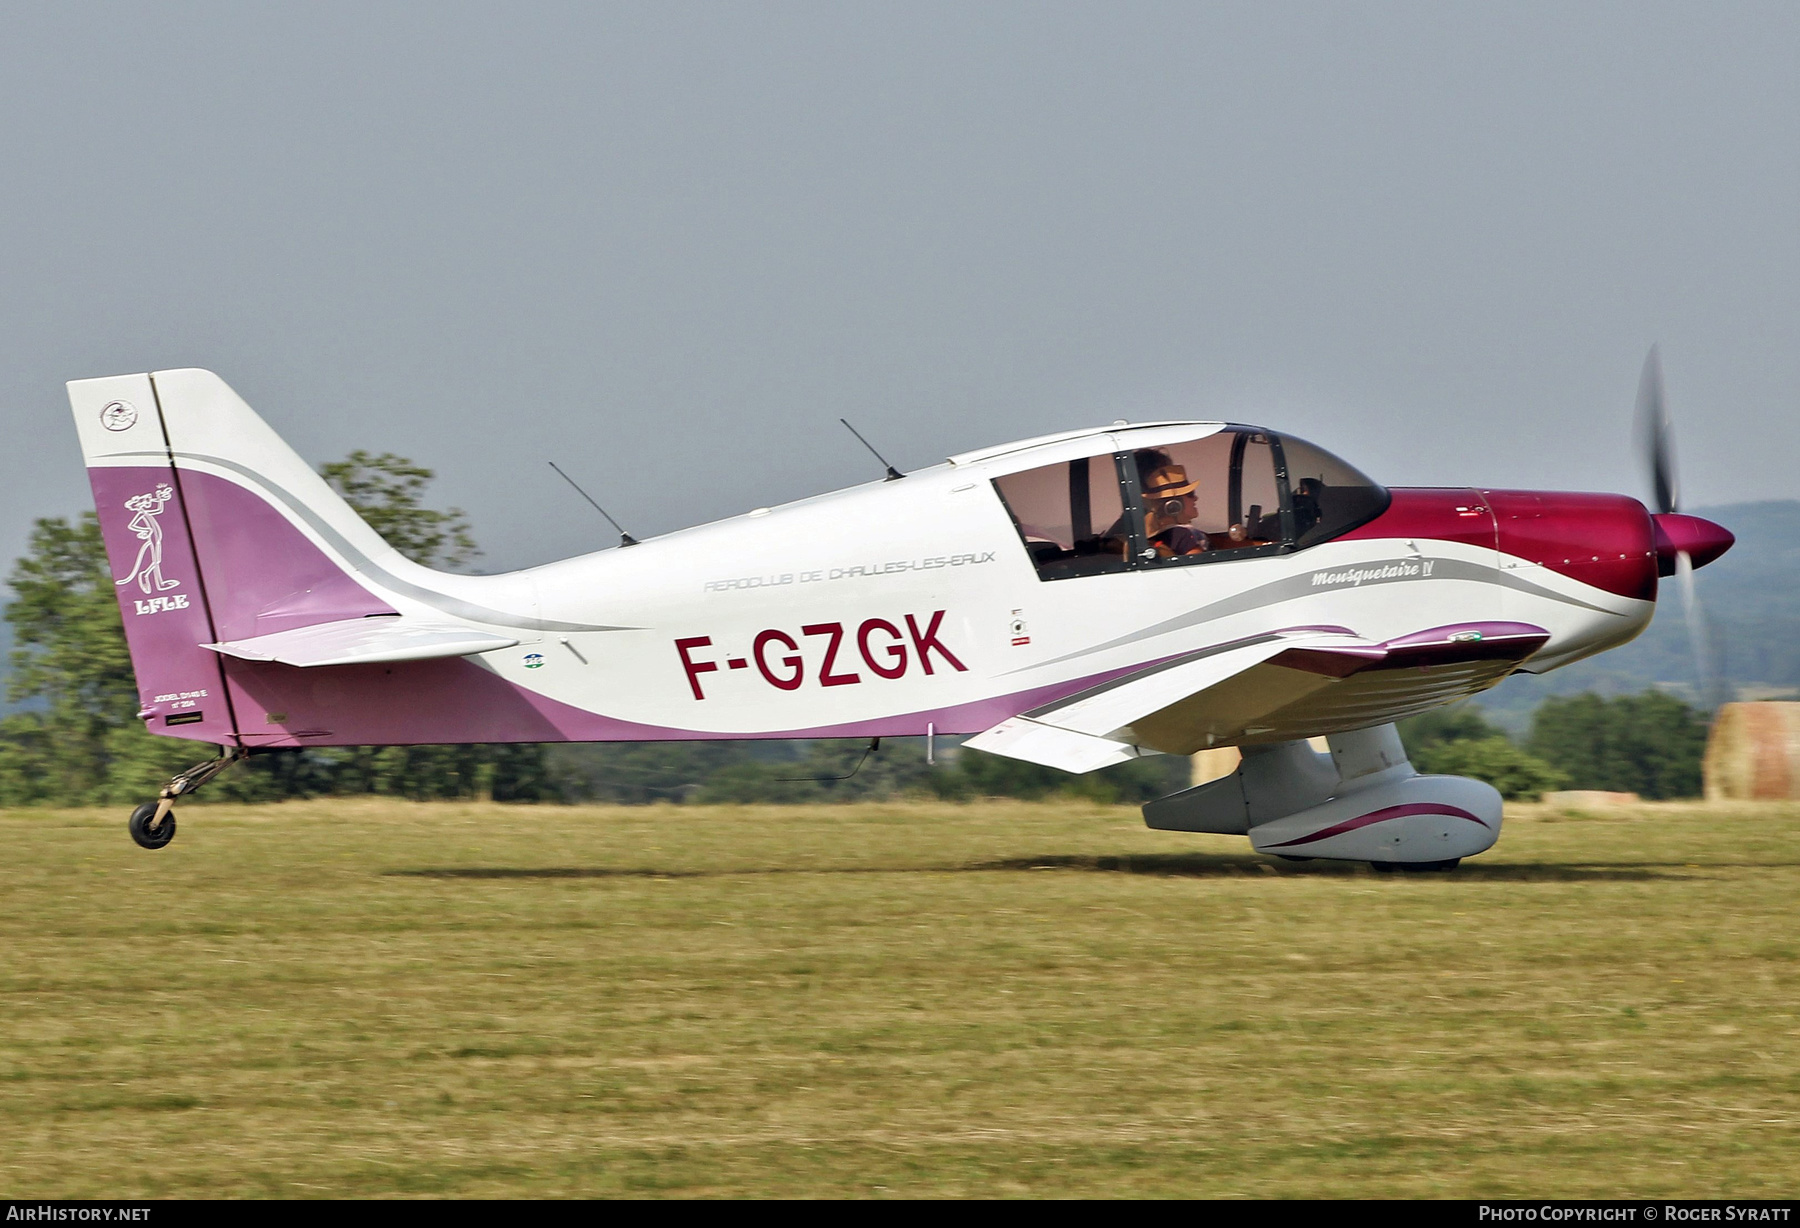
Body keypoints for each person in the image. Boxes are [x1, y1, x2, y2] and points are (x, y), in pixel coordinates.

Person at [1137, 454, 1207, 557]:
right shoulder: (1183, 535)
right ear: (1174, 505)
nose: (1195, 498)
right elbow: (1199, 567)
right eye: (1190, 494)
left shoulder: (1152, 534)